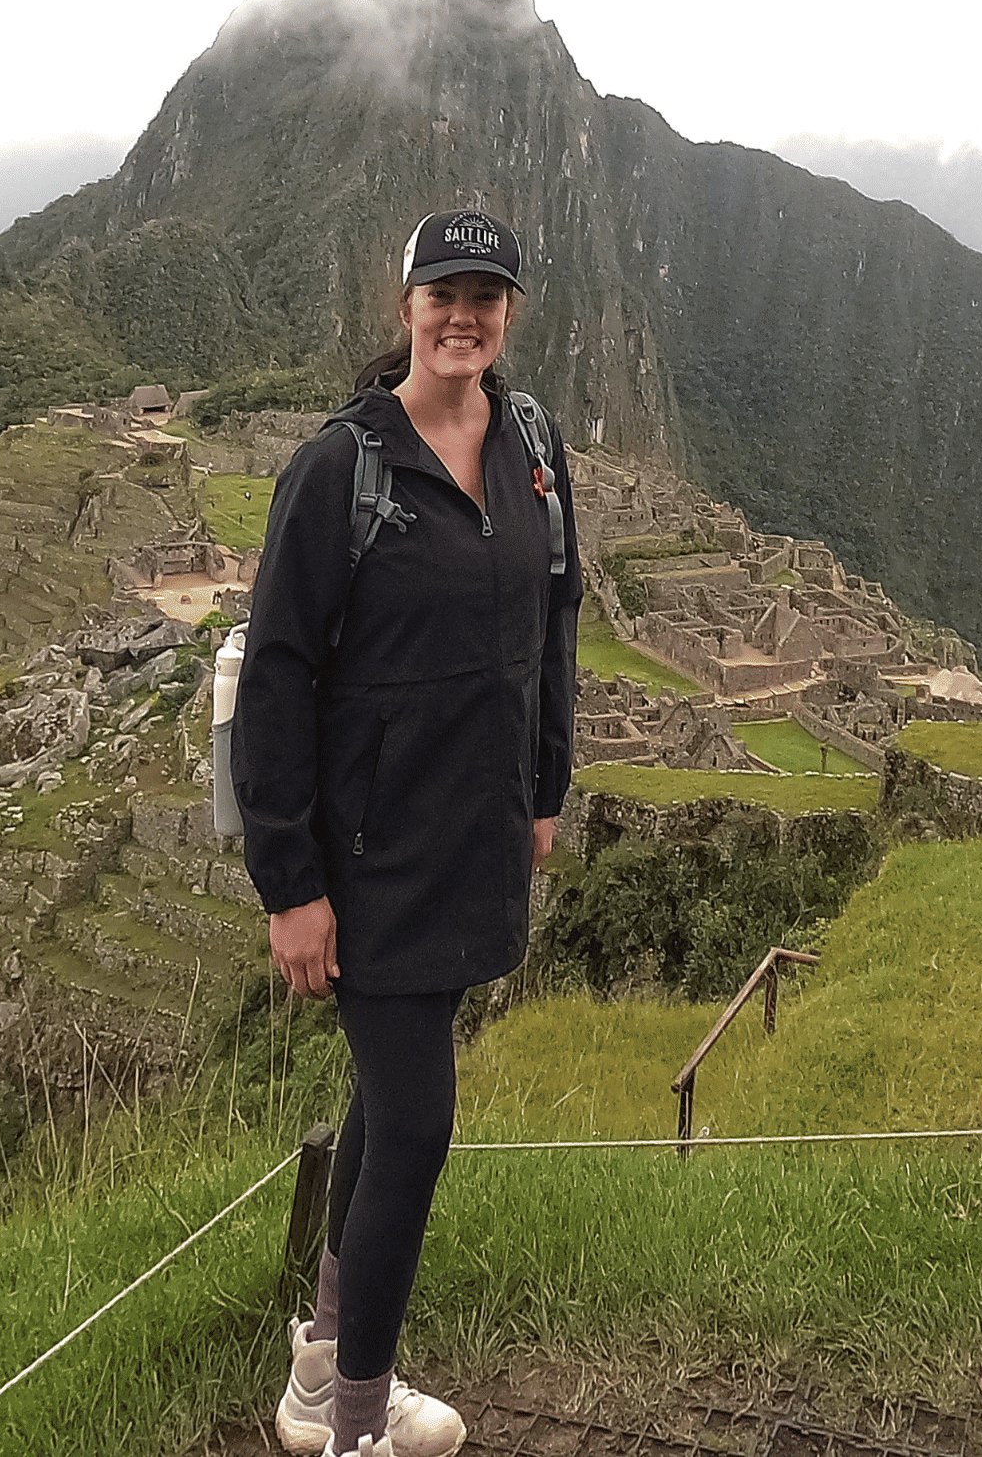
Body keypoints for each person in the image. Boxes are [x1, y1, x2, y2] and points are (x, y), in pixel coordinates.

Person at [237, 204, 580, 1457]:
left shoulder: (531, 441)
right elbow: (275, 676)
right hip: (372, 853)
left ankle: (323, 1372)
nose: (463, 314)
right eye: (443, 293)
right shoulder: (341, 466)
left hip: (476, 830)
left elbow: (555, 619)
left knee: (390, 1106)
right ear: (404, 308)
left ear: (509, 312)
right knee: (420, 1123)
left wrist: (545, 787)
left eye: (486, 294)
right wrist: (290, 881)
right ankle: (359, 1431)